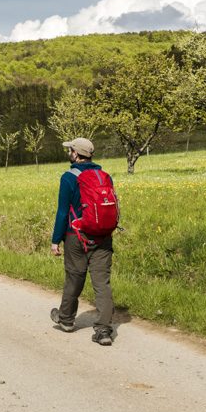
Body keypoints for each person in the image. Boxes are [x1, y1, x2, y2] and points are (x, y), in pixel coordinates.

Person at [50, 137, 115, 347]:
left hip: (75, 236)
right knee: (102, 283)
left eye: (70, 150)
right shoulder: (104, 176)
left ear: (76, 154)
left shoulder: (68, 178)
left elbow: (62, 212)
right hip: (103, 236)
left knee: (74, 277)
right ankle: (104, 331)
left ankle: (66, 320)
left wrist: (55, 240)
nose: (69, 153)